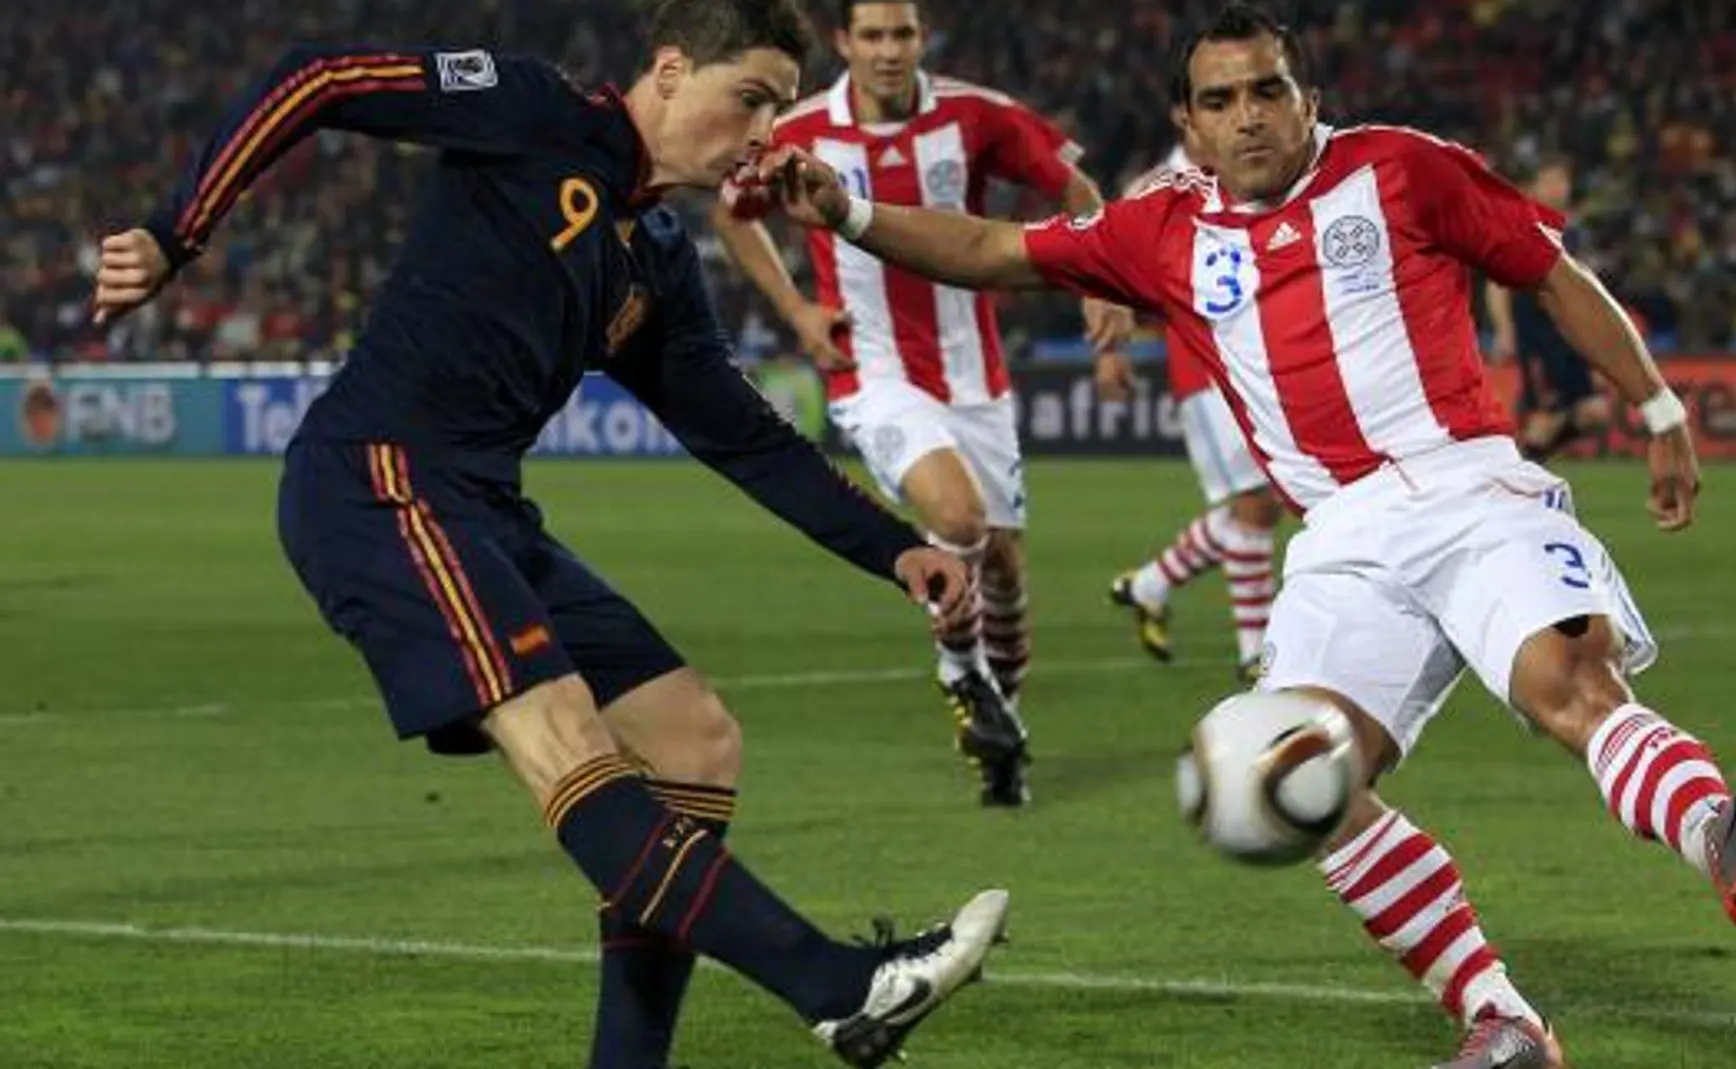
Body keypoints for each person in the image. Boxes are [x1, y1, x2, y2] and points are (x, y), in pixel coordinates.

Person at [757, 5, 1736, 1065]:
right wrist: (847, 210)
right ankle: (1500, 1019)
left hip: (1468, 488)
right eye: (1221, 100)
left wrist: (1660, 409)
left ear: (1309, 99)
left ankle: (1721, 835)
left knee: (1566, 684)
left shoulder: (1402, 169)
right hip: (1343, 539)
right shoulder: (1161, 228)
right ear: (1189, 121)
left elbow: (1549, 273)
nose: (1249, 117)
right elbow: (991, 245)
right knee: (1282, 775)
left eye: (1269, 90)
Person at [88, 3, 1007, 1066]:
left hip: (480, 506)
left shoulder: (657, 257)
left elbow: (743, 437)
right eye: (749, 98)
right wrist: (175, 230)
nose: (765, 134)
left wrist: (892, 545)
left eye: (780, 109)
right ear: (670, 71)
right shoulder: (530, 109)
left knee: (691, 732)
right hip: (376, 479)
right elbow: (319, 78)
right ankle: (836, 983)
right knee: (562, 726)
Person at [713, 0, 1137, 807]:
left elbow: (1075, 186)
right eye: (871, 35)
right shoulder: (800, 130)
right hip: (872, 369)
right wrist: (796, 309)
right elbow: (734, 215)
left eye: (902, 33)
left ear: (922, 38)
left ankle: (999, 725)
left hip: (974, 375)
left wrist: (1100, 278)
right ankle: (957, 670)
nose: (888, 50)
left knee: (1006, 572)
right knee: (961, 516)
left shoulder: (977, 116)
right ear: (844, 42)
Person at [1099, 123, 1285, 681]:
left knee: (1259, 504)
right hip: (1201, 365)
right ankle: (1256, 653)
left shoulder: (1251, 172)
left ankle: (1149, 583)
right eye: (1217, 102)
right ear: (1185, 117)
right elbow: (1105, 259)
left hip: (1256, 363)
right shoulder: (1157, 187)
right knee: (1254, 502)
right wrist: (1113, 347)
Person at [1484, 158, 1612, 461]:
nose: (1558, 188)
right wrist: (1505, 330)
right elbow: (1495, 283)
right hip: (1538, 338)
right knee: (1544, 418)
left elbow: (1585, 293)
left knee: (1594, 413)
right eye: (1550, 181)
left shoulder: (1575, 232)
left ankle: (1529, 462)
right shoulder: (1521, 226)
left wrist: (1596, 354)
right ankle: (1519, 476)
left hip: (1571, 340)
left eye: (1562, 181)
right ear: (1533, 187)